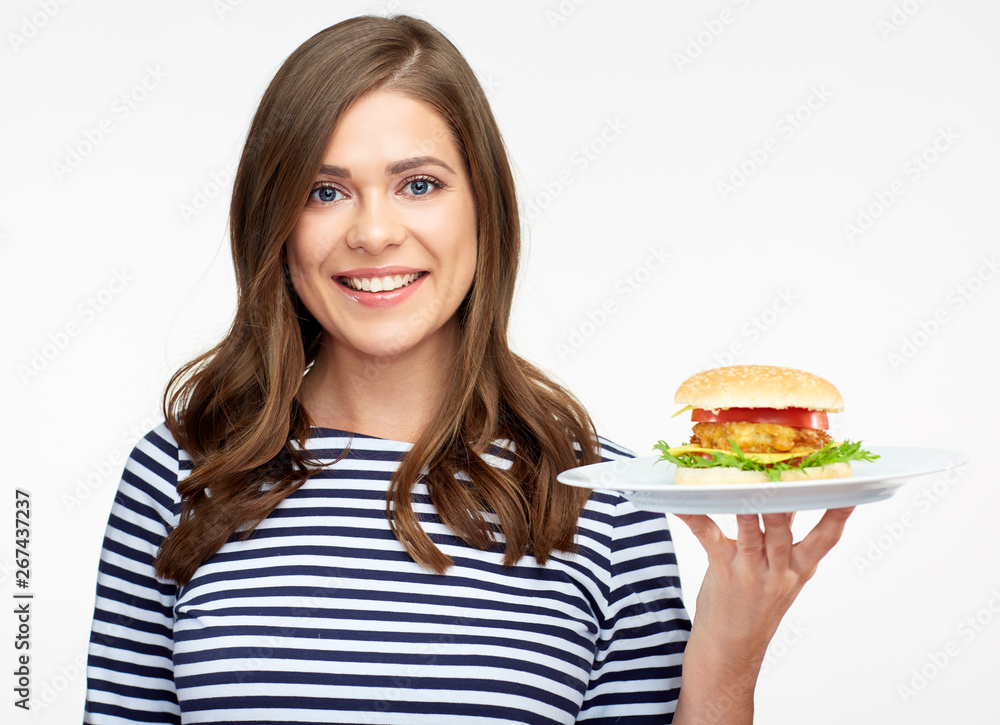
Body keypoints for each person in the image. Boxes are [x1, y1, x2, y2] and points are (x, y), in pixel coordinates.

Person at [83, 14, 853, 724]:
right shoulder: (180, 473)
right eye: (325, 191)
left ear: (485, 208)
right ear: (275, 225)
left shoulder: (606, 500)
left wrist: (728, 661)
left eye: (419, 185)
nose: (375, 232)